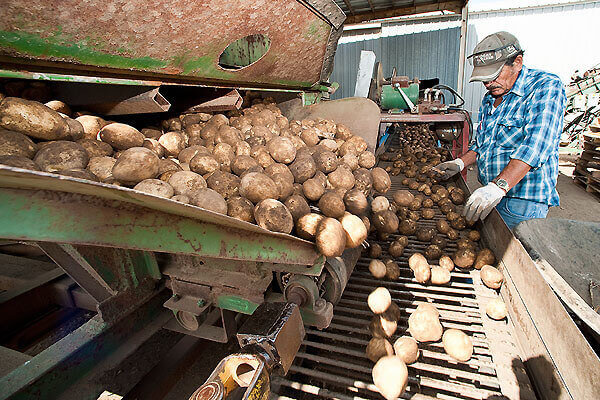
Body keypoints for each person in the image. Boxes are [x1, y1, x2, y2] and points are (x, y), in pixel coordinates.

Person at [435, 31, 566, 230]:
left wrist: (498, 187)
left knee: (510, 256)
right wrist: (460, 162)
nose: (487, 83)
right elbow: (483, 144)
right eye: (484, 78)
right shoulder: (490, 98)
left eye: (493, 75)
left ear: (518, 62)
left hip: (522, 202)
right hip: (491, 192)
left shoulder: (544, 87)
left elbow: (536, 146)